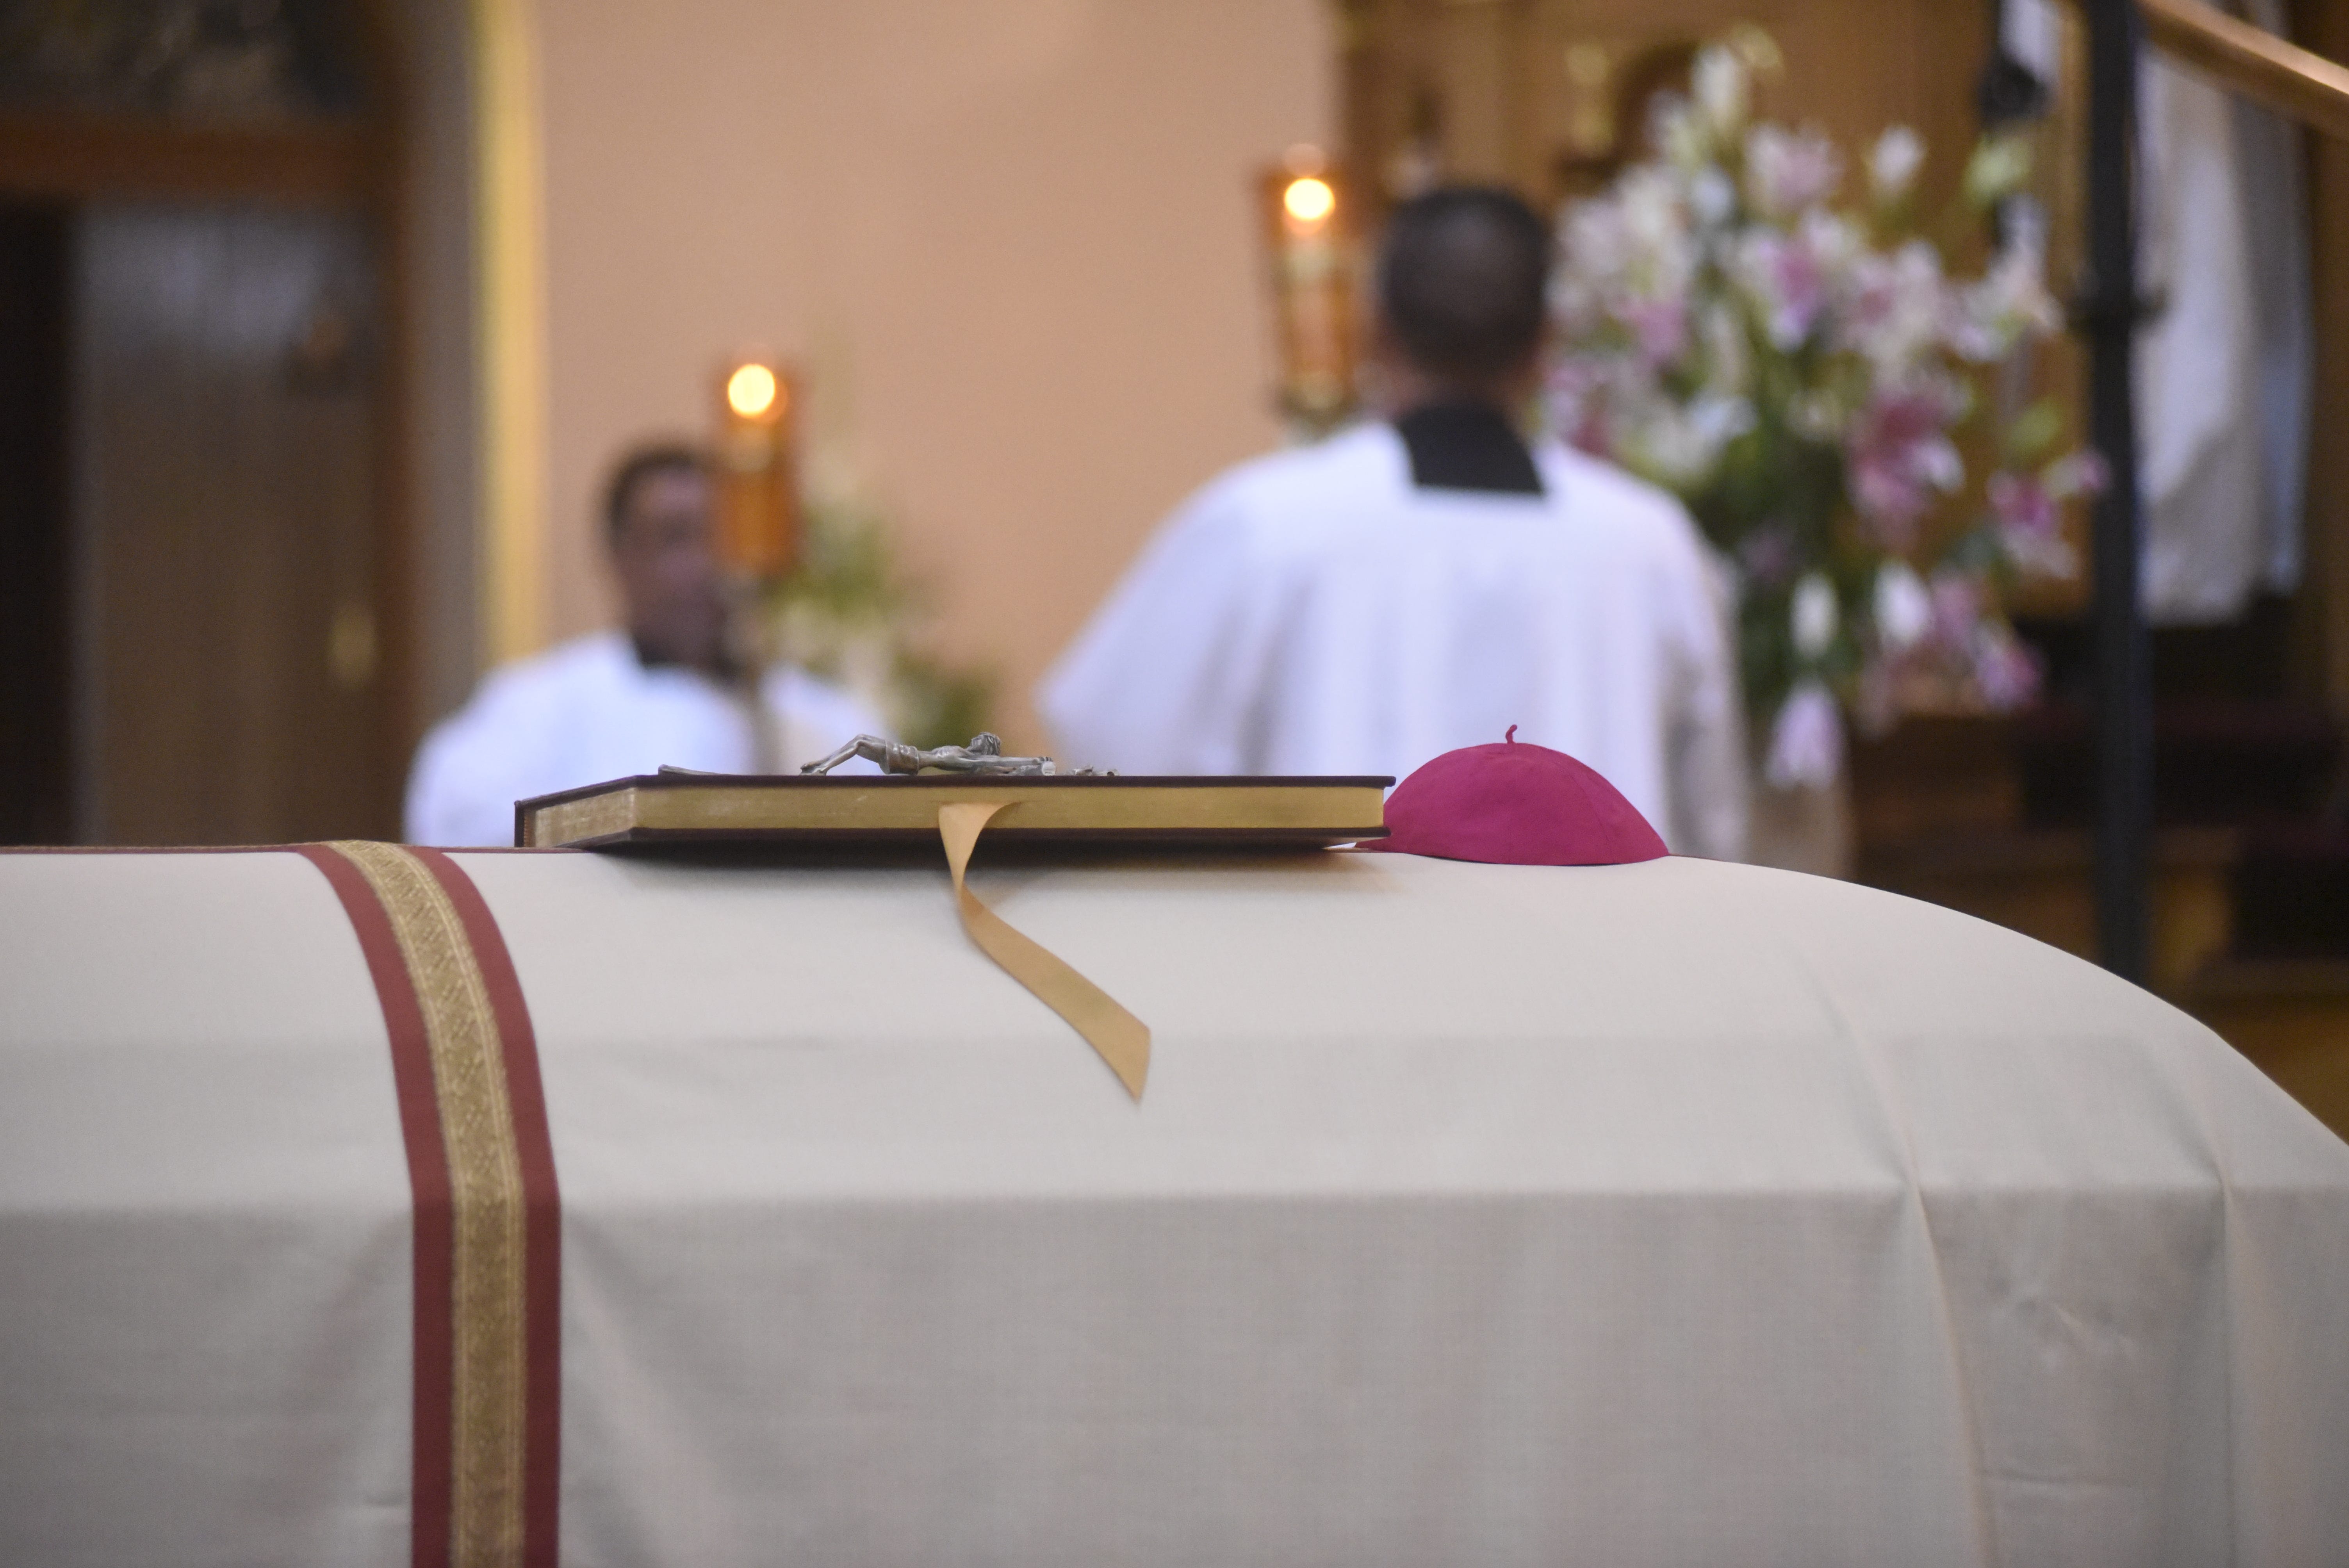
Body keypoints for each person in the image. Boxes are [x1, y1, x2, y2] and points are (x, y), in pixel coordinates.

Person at [1037, 186, 1747, 859]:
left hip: (1334, 969)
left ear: (1376, 330)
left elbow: (1117, 744)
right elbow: (1713, 823)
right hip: (1601, 967)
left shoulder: (1263, 525)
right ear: (1545, 345)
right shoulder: (1650, 543)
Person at [405, 444, 884, 846]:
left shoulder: (818, 717)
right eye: (675, 539)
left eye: (719, 537)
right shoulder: (536, 707)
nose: (705, 564)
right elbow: (455, 823)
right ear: (618, 556)